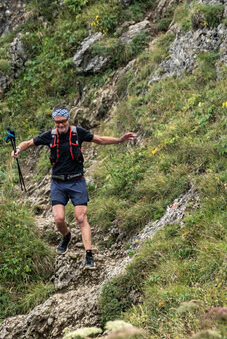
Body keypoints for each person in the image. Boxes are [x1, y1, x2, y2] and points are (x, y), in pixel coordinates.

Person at [11, 106, 137, 270]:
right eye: (57, 122)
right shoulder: (50, 136)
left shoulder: (78, 133)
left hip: (77, 182)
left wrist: (119, 140)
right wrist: (18, 149)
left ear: (68, 120)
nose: (60, 125)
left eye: (63, 122)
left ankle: (89, 256)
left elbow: (99, 139)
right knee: (58, 219)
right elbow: (28, 143)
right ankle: (66, 236)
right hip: (58, 183)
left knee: (81, 218)